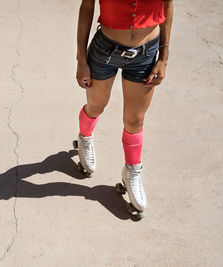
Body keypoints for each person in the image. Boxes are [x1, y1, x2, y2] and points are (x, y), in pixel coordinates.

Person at [75, 0, 173, 216]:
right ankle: (85, 137)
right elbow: (87, 7)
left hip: (146, 54)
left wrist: (164, 57)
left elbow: (167, 5)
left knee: (135, 120)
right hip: (105, 51)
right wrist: (81, 59)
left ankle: (132, 172)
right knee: (96, 106)